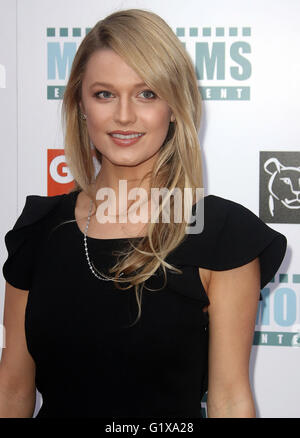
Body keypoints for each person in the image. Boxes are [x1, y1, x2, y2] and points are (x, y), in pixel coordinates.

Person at [0, 8, 287, 418]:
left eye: (147, 93)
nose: (124, 115)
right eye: (104, 94)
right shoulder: (40, 229)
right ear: (80, 104)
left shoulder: (222, 235)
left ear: (174, 105)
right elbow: (11, 390)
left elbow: (229, 399)